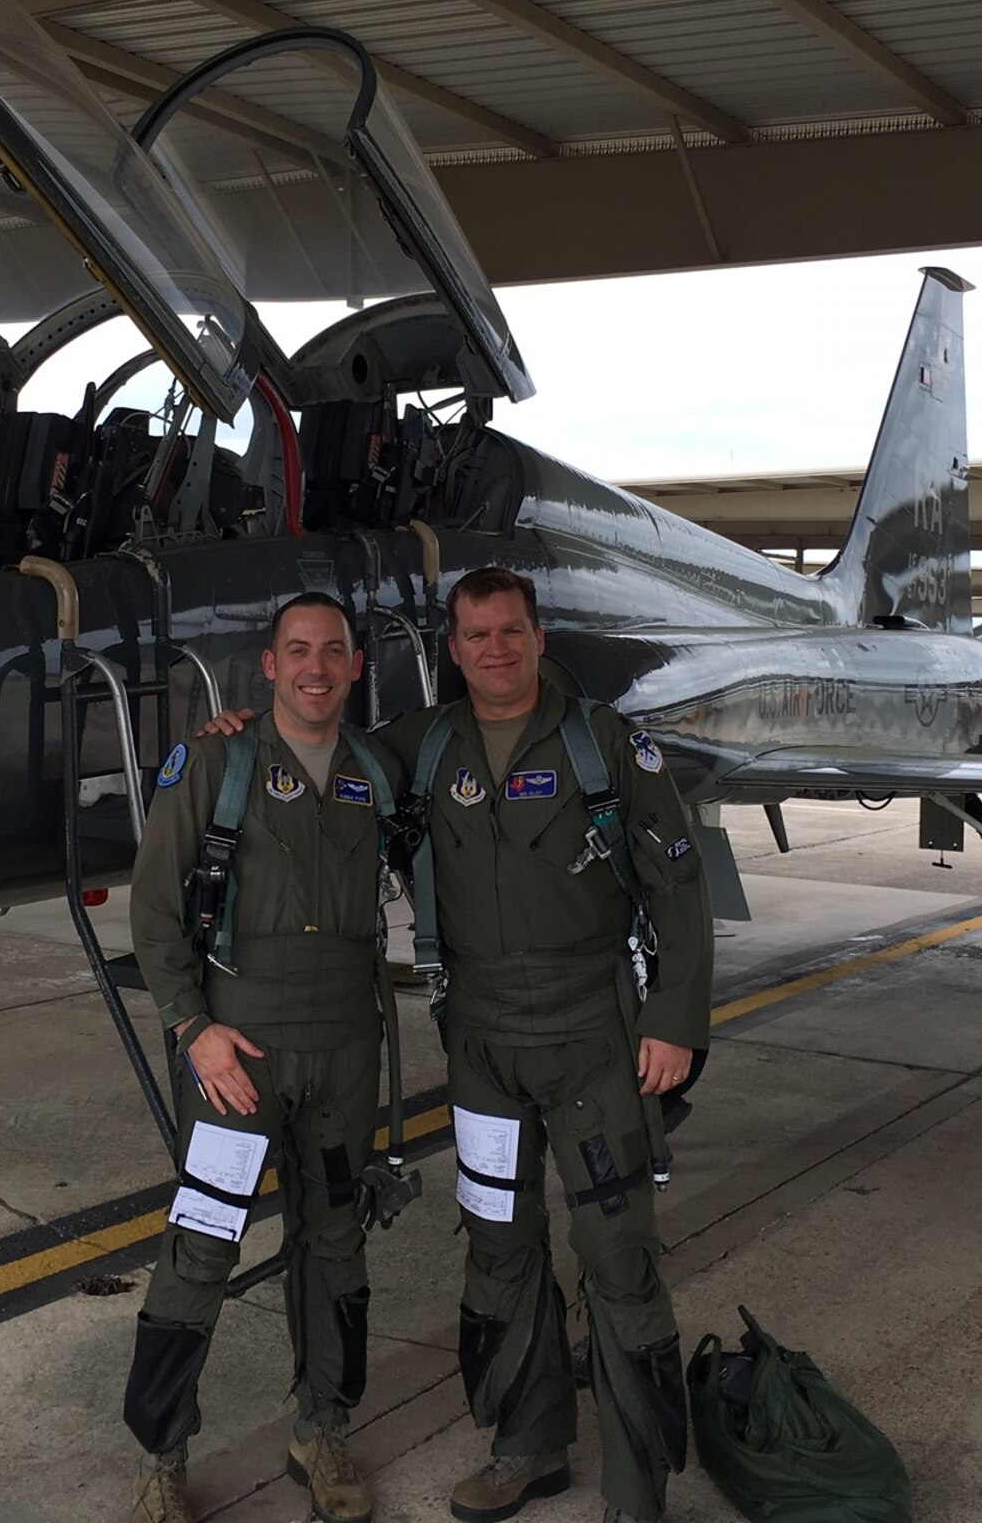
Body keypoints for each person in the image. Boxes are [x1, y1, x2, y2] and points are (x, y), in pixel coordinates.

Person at [199, 566, 713, 1523]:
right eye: (474, 635)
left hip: (593, 1032)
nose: (494, 650)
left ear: (537, 636)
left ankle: (639, 1492)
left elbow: (679, 885)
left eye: (509, 631)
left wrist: (676, 1020)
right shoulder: (423, 745)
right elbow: (320, 744)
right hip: (479, 1039)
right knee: (501, 1245)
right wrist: (241, 731)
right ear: (454, 648)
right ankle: (529, 1443)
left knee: (618, 1255)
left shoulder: (604, 746)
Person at [124, 592, 407, 1523]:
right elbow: (157, 909)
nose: (317, 666)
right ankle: (162, 1453)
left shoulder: (377, 767)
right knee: (204, 1239)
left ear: (357, 666)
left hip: (343, 1050)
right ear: (269, 666)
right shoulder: (214, 761)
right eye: (299, 650)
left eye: (334, 651)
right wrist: (190, 1026)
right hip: (235, 1052)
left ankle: (321, 1429)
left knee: (335, 1243)